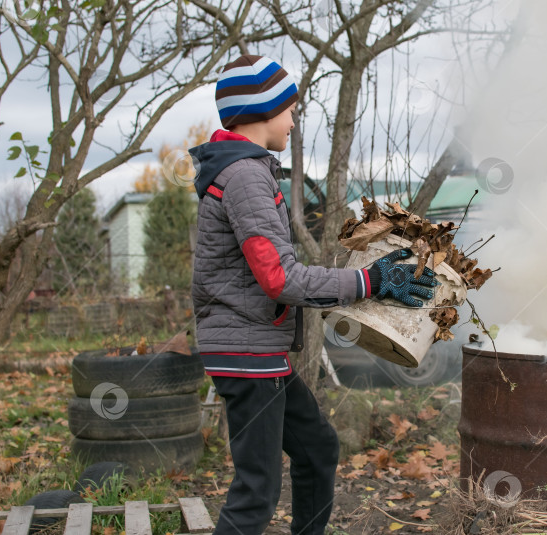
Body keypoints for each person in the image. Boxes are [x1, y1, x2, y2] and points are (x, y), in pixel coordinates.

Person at [188, 55, 438, 535]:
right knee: (257, 488)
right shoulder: (244, 176)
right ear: (261, 112)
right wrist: (370, 282)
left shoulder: (250, 171)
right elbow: (280, 279)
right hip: (247, 354)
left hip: (260, 353)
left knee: (317, 448)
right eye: (289, 110)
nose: (293, 121)